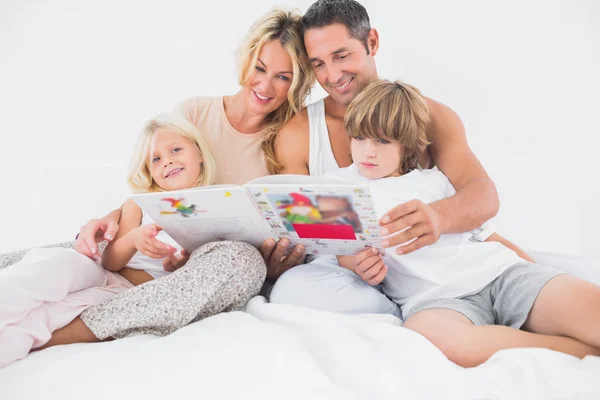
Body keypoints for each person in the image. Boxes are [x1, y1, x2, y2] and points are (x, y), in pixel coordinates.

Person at [41, 8, 314, 349]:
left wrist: (278, 263)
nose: (265, 85)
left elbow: (287, 221)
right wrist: (108, 220)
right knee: (55, 259)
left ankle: (78, 331)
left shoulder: (288, 137)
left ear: (297, 82)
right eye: (260, 68)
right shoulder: (193, 113)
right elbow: (151, 188)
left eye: (283, 77)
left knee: (242, 263)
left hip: (215, 267)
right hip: (154, 254)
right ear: (246, 61)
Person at [318, 78, 600, 367]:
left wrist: (538, 274)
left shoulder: (434, 181)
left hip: (500, 276)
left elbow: (490, 238)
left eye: (382, 141)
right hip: (436, 301)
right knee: (433, 340)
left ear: (406, 145)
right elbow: (343, 252)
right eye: (359, 138)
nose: (368, 152)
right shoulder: (337, 187)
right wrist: (361, 266)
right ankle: (584, 353)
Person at [270, 0, 506, 311]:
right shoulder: (300, 132)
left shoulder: (431, 115)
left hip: (439, 272)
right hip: (351, 282)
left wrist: (437, 217)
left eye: (342, 56)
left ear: (372, 42)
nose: (333, 75)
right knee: (292, 290)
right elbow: (303, 229)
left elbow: (483, 198)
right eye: (318, 63)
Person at [0, 113, 267, 368]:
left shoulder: (218, 202)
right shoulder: (139, 204)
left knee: (49, 316)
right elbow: (111, 262)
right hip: (100, 271)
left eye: (176, 150)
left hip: (129, 293)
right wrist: (133, 240)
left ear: (198, 153)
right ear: (149, 172)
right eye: (155, 159)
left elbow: (199, 274)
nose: (167, 162)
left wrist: (181, 264)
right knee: (52, 266)